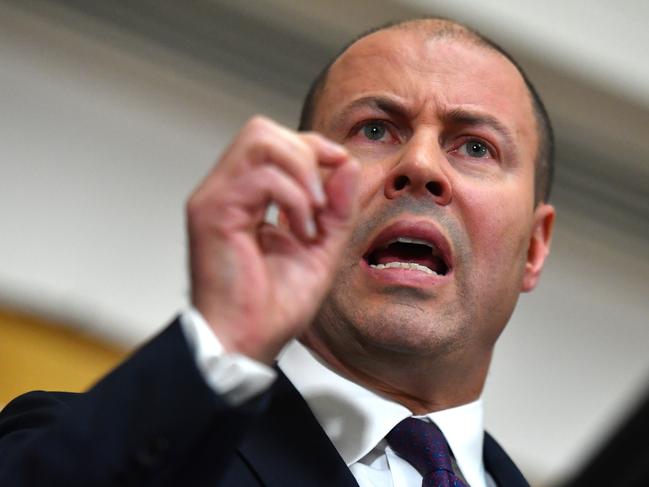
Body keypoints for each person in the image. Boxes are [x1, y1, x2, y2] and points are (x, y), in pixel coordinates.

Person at [0, 16, 555, 487]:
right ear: (293, 197)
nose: (421, 166)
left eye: (476, 146)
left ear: (533, 248)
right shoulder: (95, 445)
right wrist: (224, 344)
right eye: (376, 130)